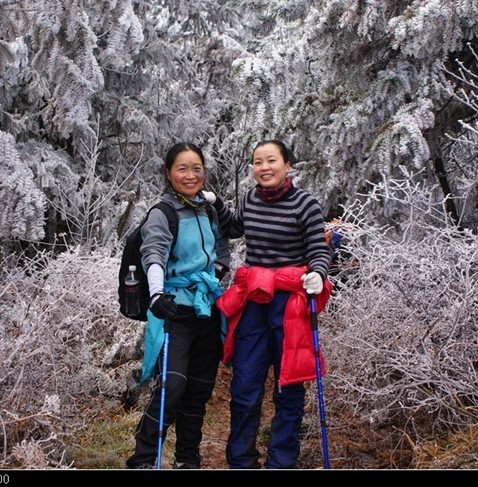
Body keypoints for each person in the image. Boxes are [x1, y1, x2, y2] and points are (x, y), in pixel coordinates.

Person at [205, 139, 332, 469]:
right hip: (255, 302)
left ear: (287, 165)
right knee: (245, 384)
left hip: (290, 304)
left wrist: (318, 272)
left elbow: (319, 249)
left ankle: (281, 461)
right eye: (258, 162)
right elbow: (235, 227)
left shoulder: (305, 203)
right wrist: (217, 203)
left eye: (271, 160)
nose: (264, 167)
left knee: (288, 386)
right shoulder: (250, 199)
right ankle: (241, 460)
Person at [126, 142, 230, 470]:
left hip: (207, 310)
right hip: (174, 310)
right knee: (172, 388)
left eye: (196, 168)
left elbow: (224, 240)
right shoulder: (164, 212)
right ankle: (143, 461)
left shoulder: (207, 209)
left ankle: (188, 460)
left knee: (198, 392)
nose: (190, 175)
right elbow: (153, 252)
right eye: (182, 168)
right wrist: (157, 295)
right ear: (169, 173)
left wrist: (219, 270)